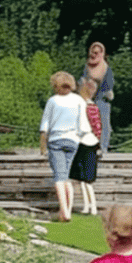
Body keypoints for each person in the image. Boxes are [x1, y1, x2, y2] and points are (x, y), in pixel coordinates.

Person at [39, 71, 93, 222]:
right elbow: (83, 123)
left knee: (59, 177)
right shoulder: (78, 100)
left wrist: (42, 145)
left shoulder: (53, 101)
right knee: (66, 177)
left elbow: (45, 124)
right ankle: (67, 210)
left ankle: (64, 211)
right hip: (73, 140)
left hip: (56, 140)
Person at [69, 78, 101, 215]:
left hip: (88, 142)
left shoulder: (89, 106)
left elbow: (96, 126)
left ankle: (93, 206)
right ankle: (86, 206)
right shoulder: (82, 105)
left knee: (87, 179)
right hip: (81, 142)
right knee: (81, 178)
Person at [77, 41, 114, 154]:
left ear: (102, 53)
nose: (94, 55)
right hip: (88, 99)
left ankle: (103, 147)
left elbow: (109, 86)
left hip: (101, 99)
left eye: (97, 52)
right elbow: (82, 81)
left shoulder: (106, 68)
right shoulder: (87, 67)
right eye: (93, 52)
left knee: (104, 123)